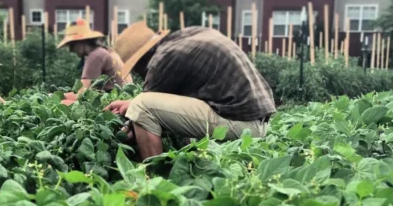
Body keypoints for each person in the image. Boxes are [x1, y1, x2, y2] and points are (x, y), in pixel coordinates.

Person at [105, 21, 276, 160]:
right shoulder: (189, 37)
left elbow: (144, 105)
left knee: (142, 107)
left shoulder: (162, 59)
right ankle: (191, 162)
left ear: (142, 59)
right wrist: (130, 104)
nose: (139, 73)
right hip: (256, 121)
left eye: (135, 67)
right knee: (146, 107)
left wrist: (123, 131)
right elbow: (169, 102)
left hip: (242, 125)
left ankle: (154, 177)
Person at [57, 19, 131, 105]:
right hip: (123, 98)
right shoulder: (104, 51)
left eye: (71, 45)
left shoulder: (95, 56)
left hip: (115, 102)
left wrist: (57, 96)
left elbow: (82, 93)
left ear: (81, 42)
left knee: (62, 103)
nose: (71, 50)